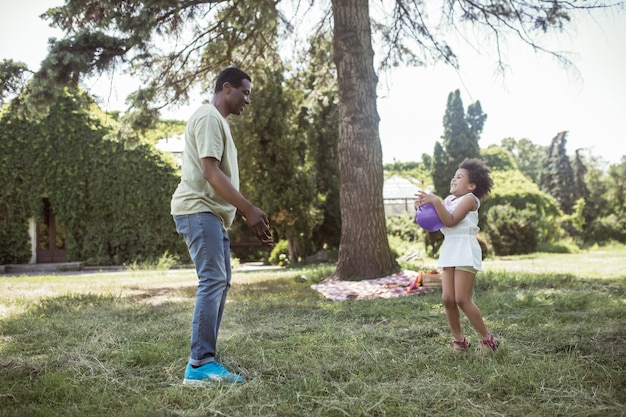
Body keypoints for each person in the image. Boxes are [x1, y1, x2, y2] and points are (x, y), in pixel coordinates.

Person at [171, 67, 273, 385]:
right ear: (226, 88)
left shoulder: (221, 125)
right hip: (198, 210)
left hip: (210, 214)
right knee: (213, 279)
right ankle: (200, 365)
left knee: (220, 280)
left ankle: (206, 358)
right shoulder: (208, 117)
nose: (248, 100)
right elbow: (211, 173)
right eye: (245, 92)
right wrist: (249, 211)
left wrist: (246, 213)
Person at [415, 158, 499, 353]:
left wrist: (435, 201)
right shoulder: (448, 200)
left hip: (465, 250)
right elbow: (435, 221)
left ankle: (488, 340)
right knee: (448, 299)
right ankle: (459, 340)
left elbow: (451, 221)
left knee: (462, 298)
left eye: (459, 177)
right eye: (454, 176)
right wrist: (422, 208)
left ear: (471, 185)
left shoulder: (470, 199)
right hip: (450, 248)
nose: (454, 179)